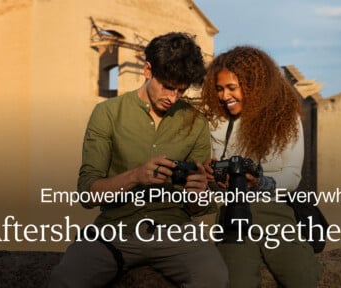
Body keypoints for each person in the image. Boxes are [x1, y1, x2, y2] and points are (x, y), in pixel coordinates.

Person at [49, 32, 228, 288]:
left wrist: (197, 194)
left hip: (174, 229)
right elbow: (88, 193)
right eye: (167, 86)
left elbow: (197, 208)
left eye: (181, 90)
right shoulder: (108, 113)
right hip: (114, 229)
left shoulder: (195, 121)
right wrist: (136, 176)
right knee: (65, 280)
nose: (173, 97)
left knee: (214, 278)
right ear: (147, 70)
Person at [201, 46, 322, 287]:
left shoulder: (286, 118)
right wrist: (212, 177)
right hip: (232, 214)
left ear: (253, 84)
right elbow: (214, 180)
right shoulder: (216, 122)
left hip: (275, 212)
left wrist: (259, 183)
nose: (224, 96)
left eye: (231, 88)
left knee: (303, 277)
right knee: (238, 281)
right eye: (220, 89)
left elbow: (292, 177)